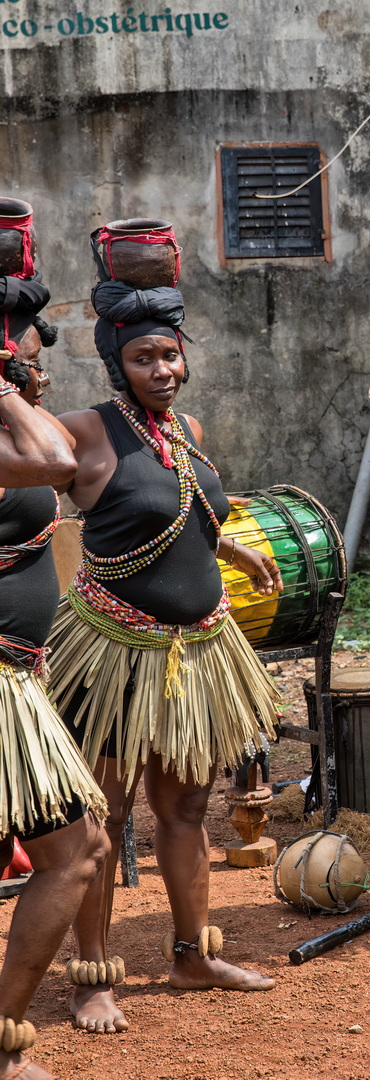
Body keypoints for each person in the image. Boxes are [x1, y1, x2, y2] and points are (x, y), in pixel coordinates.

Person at [46, 279, 282, 1034]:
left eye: (171, 356)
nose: (163, 370)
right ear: (118, 363)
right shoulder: (84, 432)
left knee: (183, 807)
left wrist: (234, 551)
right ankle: (92, 978)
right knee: (103, 819)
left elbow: (184, 512)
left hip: (199, 652)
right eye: (145, 358)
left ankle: (192, 954)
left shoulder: (185, 431)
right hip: (112, 655)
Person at [0, 307, 110, 1079]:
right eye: (24, 362)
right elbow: (52, 459)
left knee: (82, 849)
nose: (34, 376)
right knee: (75, 853)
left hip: (16, 684)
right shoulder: (13, 432)